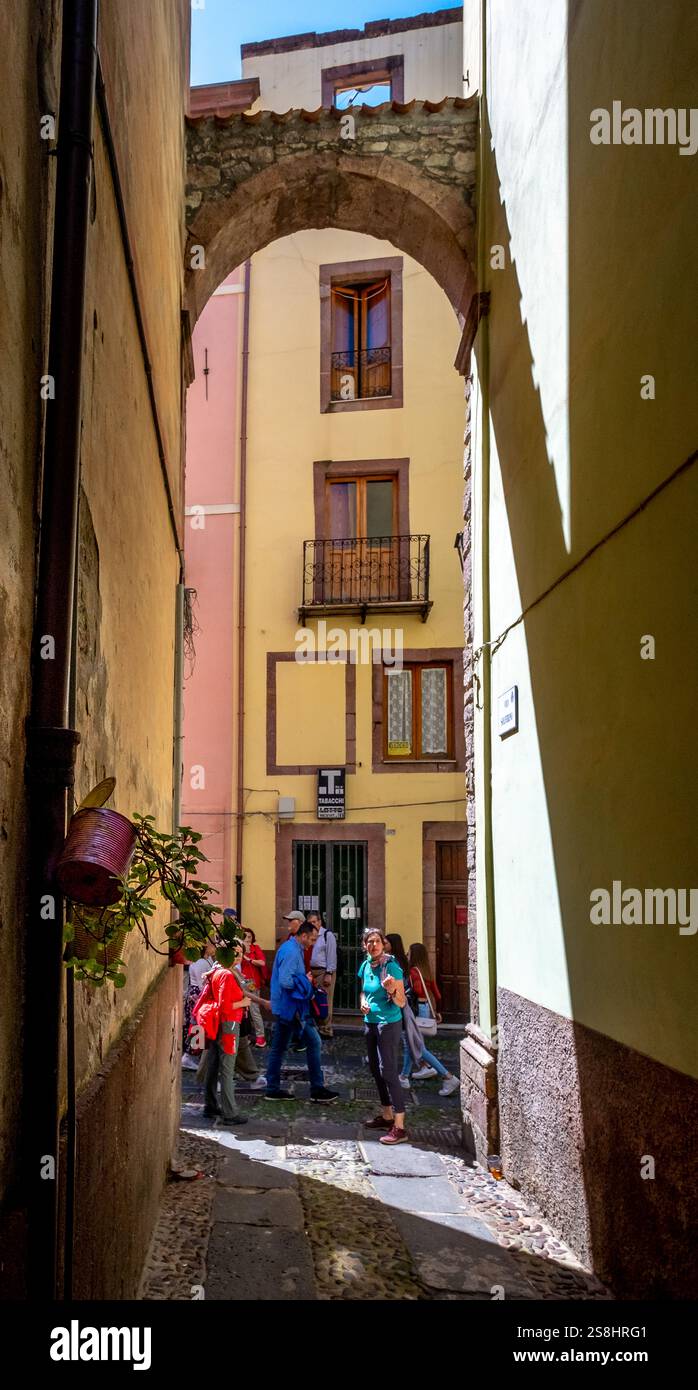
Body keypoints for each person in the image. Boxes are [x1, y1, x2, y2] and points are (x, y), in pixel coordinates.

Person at [265, 916, 339, 1103]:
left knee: (280, 1048)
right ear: (304, 935)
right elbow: (286, 981)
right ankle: (316, 1089)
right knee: (312, 1043)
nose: (312, 944)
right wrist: (305, 981)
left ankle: (274, 1088)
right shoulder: (291, 951)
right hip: (292, 1008)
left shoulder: (291, 949)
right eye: (312, 940)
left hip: (288, 1007)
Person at [359, 928, 409, 1145]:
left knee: (387, 1071)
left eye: (377, 941)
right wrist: (362, 1001)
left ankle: (399, 1126)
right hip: (370, 1023)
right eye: (369, 942)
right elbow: (363, 990)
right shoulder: (365, 965)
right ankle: (386, 1115)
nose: (374, 945)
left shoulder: (392, 967)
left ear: (383, 944)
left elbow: (401, 1002)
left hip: (388, 1023)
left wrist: (390, 990)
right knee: (375, 1069)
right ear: (365, 946)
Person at [192, 958, 250, 1124]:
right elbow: (225, 1006)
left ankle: (210, 1105)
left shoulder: (216, 971)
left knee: (214, 1064)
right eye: (236, 952)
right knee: (227, 1068)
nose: (239, 956)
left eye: (240, 952)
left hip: (219, 1023)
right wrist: (243, 1003)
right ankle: (229, 1113)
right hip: (229, 1024)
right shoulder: (226, 974)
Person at [400, 942, 459, 1096]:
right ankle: (404, 1076)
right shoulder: (426, 971)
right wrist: (437, 1011)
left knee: (416, 1047)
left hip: (416, 1009)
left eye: (409, 952)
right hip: (425, 1008)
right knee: (411, 1044)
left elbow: (417, 991)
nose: (407, 955)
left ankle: (447, 1076)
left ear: (415, 955)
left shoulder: (413, 973)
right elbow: (436, 993)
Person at [182, 939, 216, 1069]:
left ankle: (192, 1055)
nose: (215, 948)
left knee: (198, 1026)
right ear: (205, 947)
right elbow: (203, 984)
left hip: (200, 994)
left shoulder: (207, 960)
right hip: (198, 995)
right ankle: (189, 1055)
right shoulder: (201, 962)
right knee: (197, 1026)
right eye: (212, 945)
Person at [307, 910, 338, 1038]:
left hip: (323, 972)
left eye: (314, 922)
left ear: (319, 922)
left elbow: (331, 955)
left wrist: (329, 973)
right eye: (309, 922)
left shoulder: (327, 935)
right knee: (313, 1001)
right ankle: (317, 1027)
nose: (312, 924)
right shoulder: (309, 935)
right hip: (311, 972)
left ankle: (326, 1029)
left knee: (325, 1001)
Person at [240, 926, 270, 1047]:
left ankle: (260, 1037)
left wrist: (249, 959)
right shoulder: (239, 949)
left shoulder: (255, 949)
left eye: (250, 937)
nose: (248, 939)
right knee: (242, 1011)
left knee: (254, 1010)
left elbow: (262, 962)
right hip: (240, 981)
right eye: (245, 937)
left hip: (251, 982)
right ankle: (244, 1036)